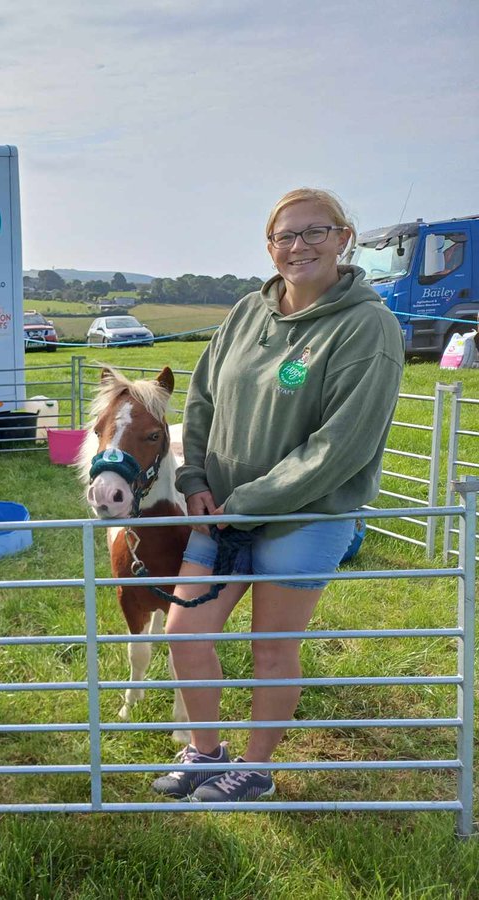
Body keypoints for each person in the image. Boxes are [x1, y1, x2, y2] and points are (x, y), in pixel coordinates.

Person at [153, 188, 404, 802]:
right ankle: (206, 754)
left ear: (346, 238)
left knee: (271, 646)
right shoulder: (246, 313)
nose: (298, 247)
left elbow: (339, 446)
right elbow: (203, 398)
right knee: (185, 633)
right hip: (223, 509)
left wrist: (250, 502)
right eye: (285, 237)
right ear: (270, 248)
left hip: (308, 517)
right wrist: (196, 482)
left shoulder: (367, 326)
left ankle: (254, 769)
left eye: (314, 232)